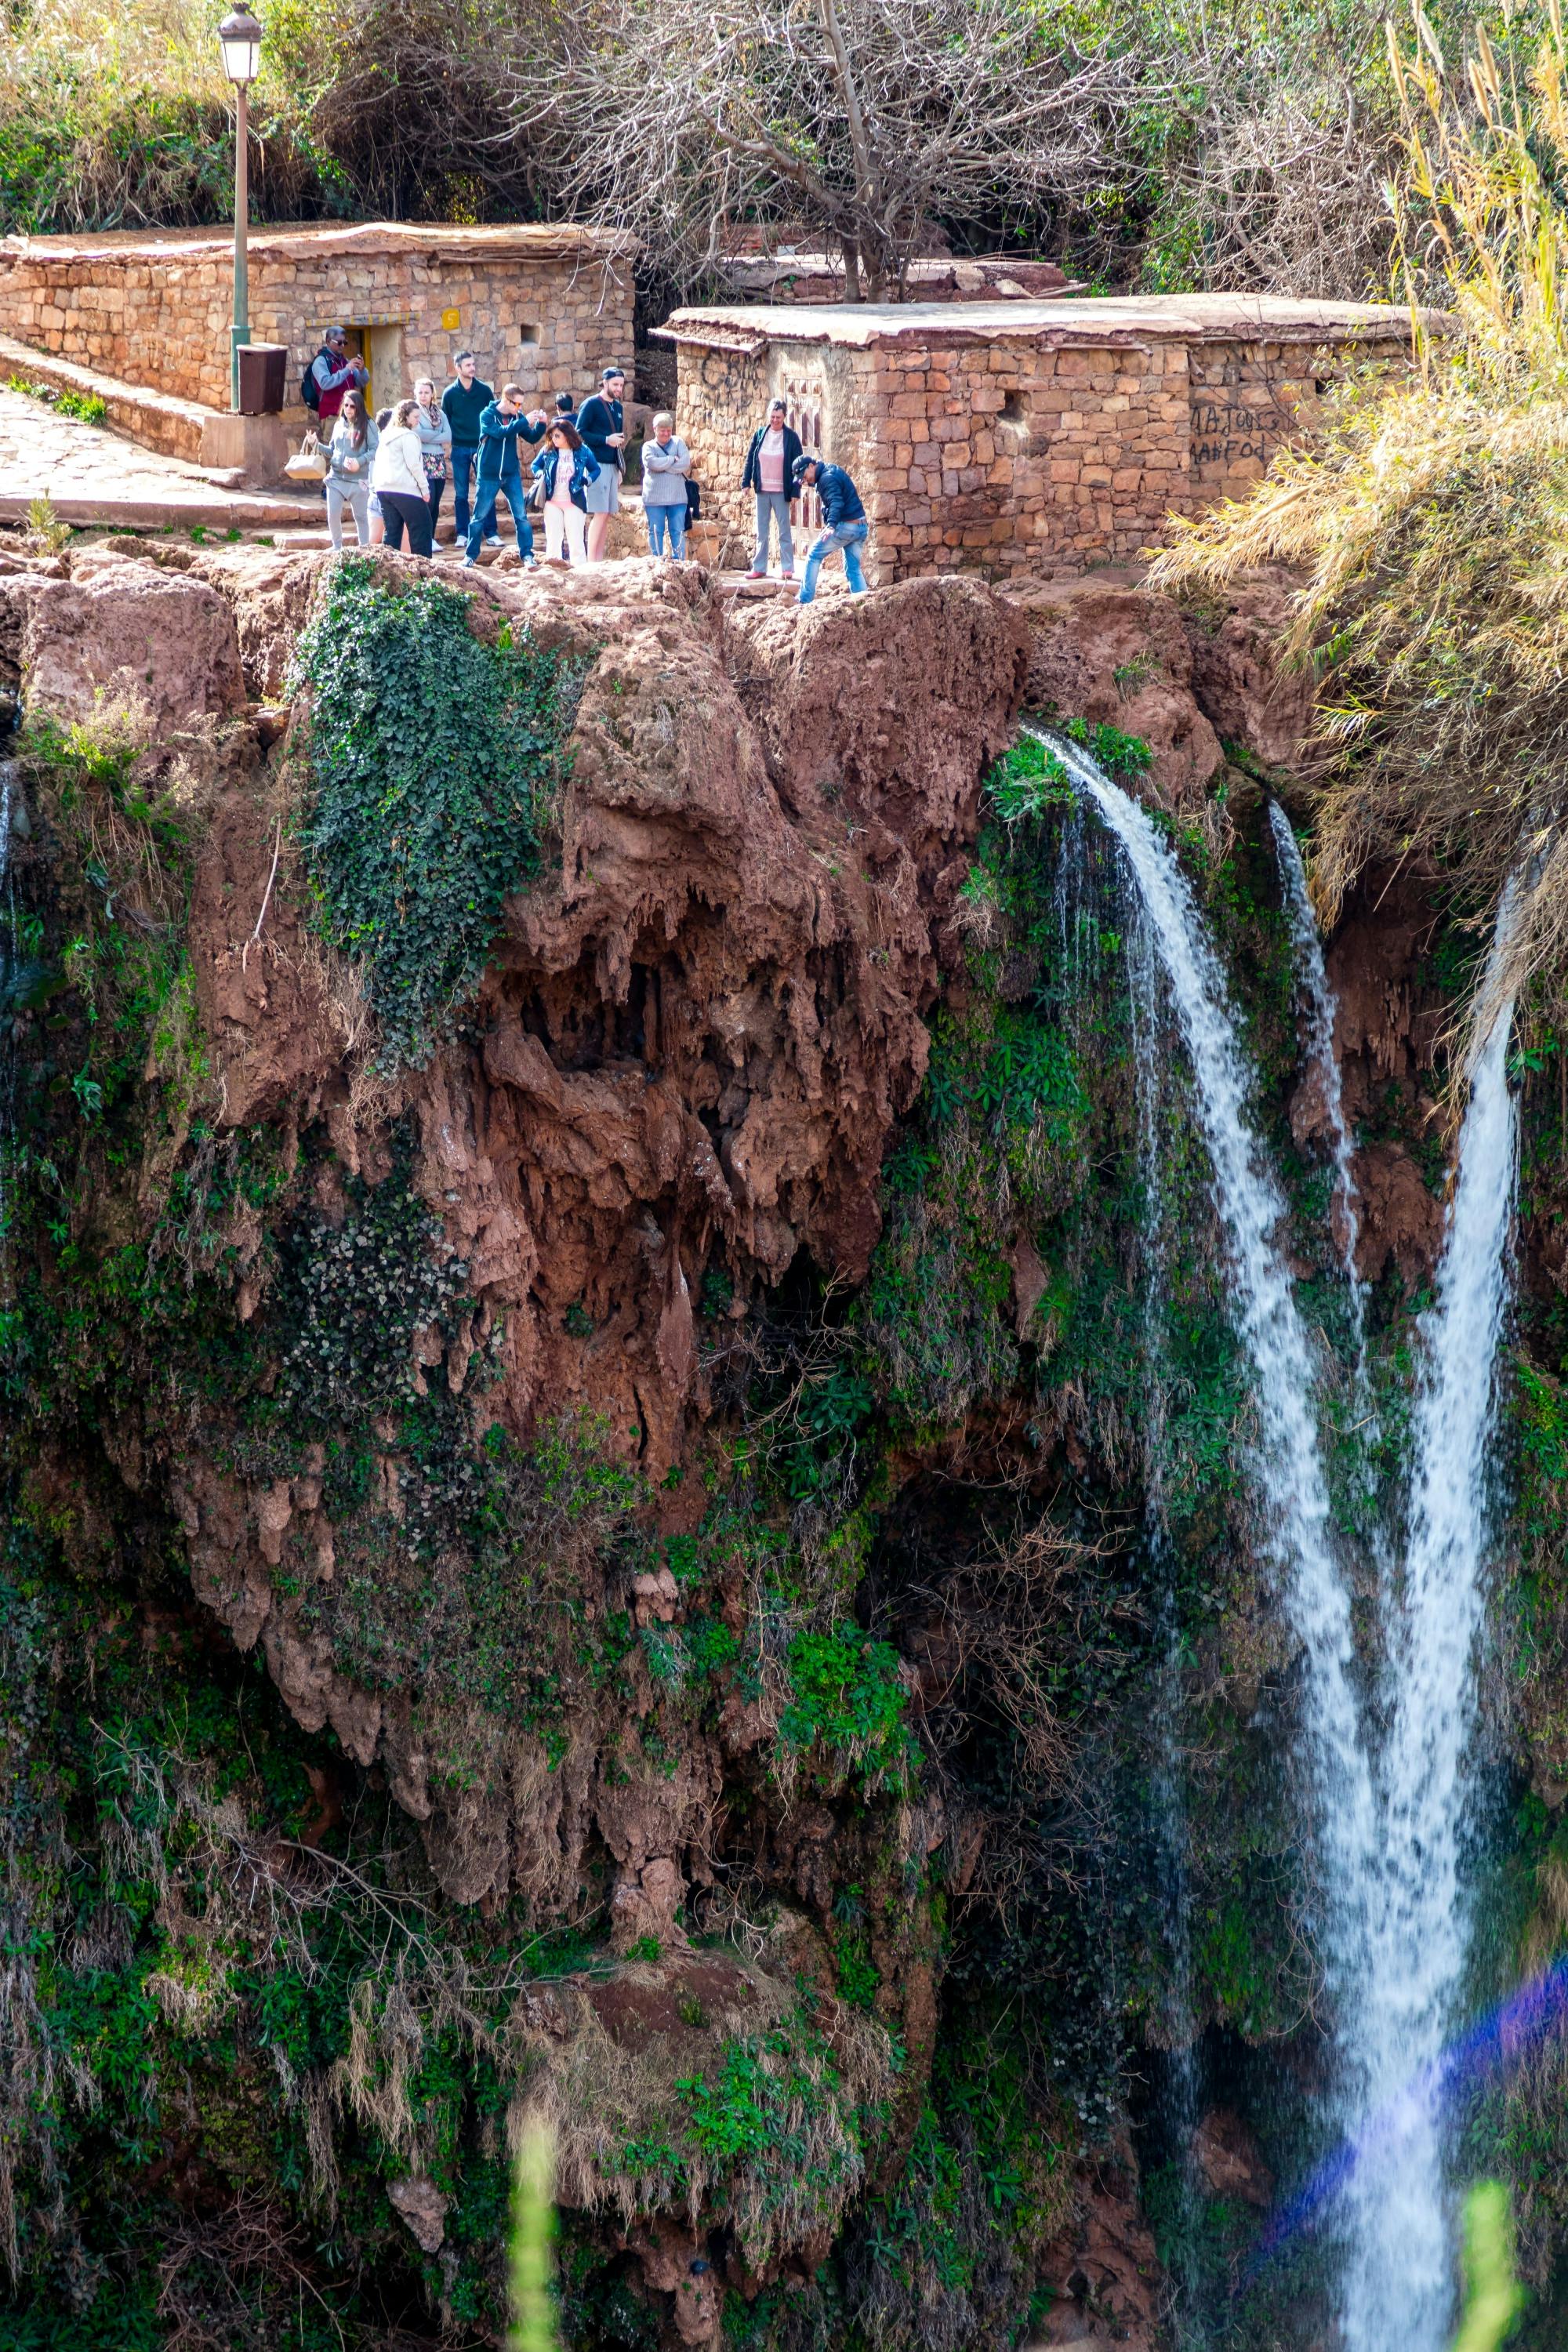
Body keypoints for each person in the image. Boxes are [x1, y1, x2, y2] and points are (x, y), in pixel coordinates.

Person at [463, 383, 547, 568]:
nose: (519, 408)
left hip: (511, 474)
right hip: (488, 475)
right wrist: (524, 421)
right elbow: (499, 433)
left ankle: (527, 555)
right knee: (479, 517)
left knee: (521, 516)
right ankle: (470, 556)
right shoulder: (487, 415)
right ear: (505, 399)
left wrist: (541, 425)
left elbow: (531, 437)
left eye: (521, 405)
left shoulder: (517, 416)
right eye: (516, 404)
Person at [742, 398, 804, 580]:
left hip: (781, 491)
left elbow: (800, 468)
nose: (775, 420)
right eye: (772, 416)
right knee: (762, 531)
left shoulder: (791, 438)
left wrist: (795, 492)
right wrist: (746, 483)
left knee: (784, 531)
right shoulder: (760, 434)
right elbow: (750, 460)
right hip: (762, 490)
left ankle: (787, 569)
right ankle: (759, 567)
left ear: (785, 417)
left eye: (778, 417)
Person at [792, 455, 869, 604]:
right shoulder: (830, 471)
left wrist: (832, 525)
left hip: (847, 526)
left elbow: (836, 502)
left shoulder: (826, 479)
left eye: (804, 475)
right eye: (801, 478)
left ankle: (804, 601)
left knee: (813, 555)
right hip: (861, 526)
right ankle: (864, 603)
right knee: (853, 568)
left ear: (811, 466)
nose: (805, 480)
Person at [441, 350, 494, 549]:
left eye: (473, 364)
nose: (472, 368)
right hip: (459, 449)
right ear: (458, 368)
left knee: (487, 490)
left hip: (482, 447)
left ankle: (491, 533)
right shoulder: (449, 394)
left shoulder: (484, 391)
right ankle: (462, 533)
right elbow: (446, 420)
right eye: (468, 365)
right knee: (461, 493)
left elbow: (491, 415)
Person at [576, 365, 627, 562]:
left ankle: (598, 558)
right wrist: (606, 439)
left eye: (621, 385)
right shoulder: (591, 404)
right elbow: (580, 432)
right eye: (615, 384)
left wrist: (619, 467)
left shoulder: (619, 407)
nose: (619, 389)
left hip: (612, 465)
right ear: (605, 383)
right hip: (596, 464)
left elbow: (618, 438)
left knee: (606, 514)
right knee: (599, 513)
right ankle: (591, 561)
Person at [372, 400, 436, 556]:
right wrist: (424, 489)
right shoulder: (409, 436)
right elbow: (414, 465)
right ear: (405, 416)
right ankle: (424, 572)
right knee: (422, 527)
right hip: (405, 489)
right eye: (415, 416)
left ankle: (388, 569)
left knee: (392, 531)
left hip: (383, 489)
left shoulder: (386, 435)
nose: (418, 420)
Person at [532, 422, 598, 567]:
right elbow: (535, 465)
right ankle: (553, 572)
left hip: (574, 502)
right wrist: (540, 474)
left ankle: (581, 573)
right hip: (552, 501)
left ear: (567, 436)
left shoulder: (583, 450)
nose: (553, 439)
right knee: (553, 540)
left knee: (576, 542)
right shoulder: (548, 450)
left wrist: (587, 480)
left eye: (557, 436)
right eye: (552, 436)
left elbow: (595, 469)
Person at [325, 388, 377, 550]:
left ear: (359, 407)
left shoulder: (368, 425)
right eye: (346, 405)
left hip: (358, 480)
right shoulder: (339, 424)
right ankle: (337, 546)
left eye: (352, 406)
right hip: (336, 478)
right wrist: (315, 444)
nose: (348, 409)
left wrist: (359, 462)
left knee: (361, 516)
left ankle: (364, 549)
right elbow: (332, 450)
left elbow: (375, 449)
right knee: (333, 514)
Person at [640, 413, 691, 558]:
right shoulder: (648, 446)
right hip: (655, 499)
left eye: (669, 430)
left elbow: (685, 463)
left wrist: (663, 465)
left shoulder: (678, 442)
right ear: (655, 429)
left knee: (678, 532)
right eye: (663, 430)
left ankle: (680, 565)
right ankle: (657, 565)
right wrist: (671, 460)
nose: (666, 433)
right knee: (656, 532)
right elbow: (652, 463)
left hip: (677, 498)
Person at [412, 376, 452, 539]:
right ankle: (424, 536)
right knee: (428, 500)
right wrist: (438, 436)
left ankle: (432, 536)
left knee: (436, 502)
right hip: (424, 459)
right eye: (420, 392)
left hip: (438, 461)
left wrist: (432, 437)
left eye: (426, 392)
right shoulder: (414, 412)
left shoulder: (440, 413)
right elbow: (419, 434)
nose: (423, 396)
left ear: (432, 394)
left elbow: (448, 435)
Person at [308, 327, 368, 436]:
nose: (343, 346)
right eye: (339, 342)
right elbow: (325, 383)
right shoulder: (321, 361)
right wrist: (346, 370)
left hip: (349, 415)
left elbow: (361, 382)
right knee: (332, 450)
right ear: (328, 341)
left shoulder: (345, 361)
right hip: (332, 417)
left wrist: (362, 370)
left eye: (345, 342)